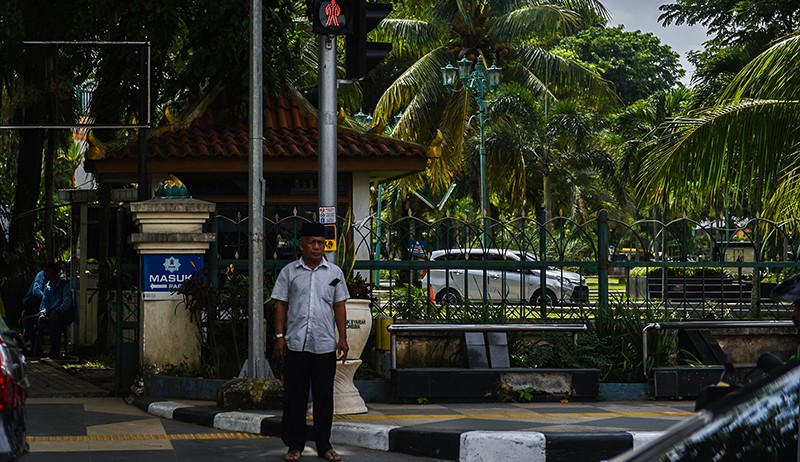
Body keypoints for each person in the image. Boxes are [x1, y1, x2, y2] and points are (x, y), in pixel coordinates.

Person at [271, 222, 349, 462]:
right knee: (295, 397)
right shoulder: (290, 272)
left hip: (324, 345)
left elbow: (339, 305)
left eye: (321, 243)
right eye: (313, 242)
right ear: (302, 245)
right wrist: (279, 337)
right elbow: (281, 304)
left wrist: (343, 338)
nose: (317, 247)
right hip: (296, 344)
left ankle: (324, 445)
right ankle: (294, 445)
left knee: (324, 398)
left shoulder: (334, 273)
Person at [22, 262, 74, 358]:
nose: (44, 274)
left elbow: (67, 302)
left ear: (53, 273)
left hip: (61, 314)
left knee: (55, 319)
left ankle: (55, 351)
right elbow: (44, 303)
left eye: (47, 271)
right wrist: (42, 313)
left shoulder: (65, 285)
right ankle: (38, 349)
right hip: (49, 313)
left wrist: (58, 311)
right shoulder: (47, 287)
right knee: (27, 321)